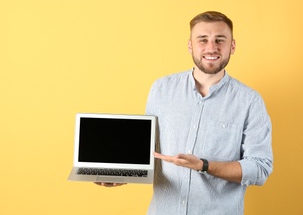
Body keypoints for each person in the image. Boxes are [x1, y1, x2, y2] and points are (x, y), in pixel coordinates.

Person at [96, 11, 273, 215]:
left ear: (232, 46)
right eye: (203, 40)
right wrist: (120, 175)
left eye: (220, 40)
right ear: (190, 45)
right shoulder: (161, 89)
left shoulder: (250, 101)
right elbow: (147, 152)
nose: (211, 48)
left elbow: (259, 169)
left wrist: (203, 165)